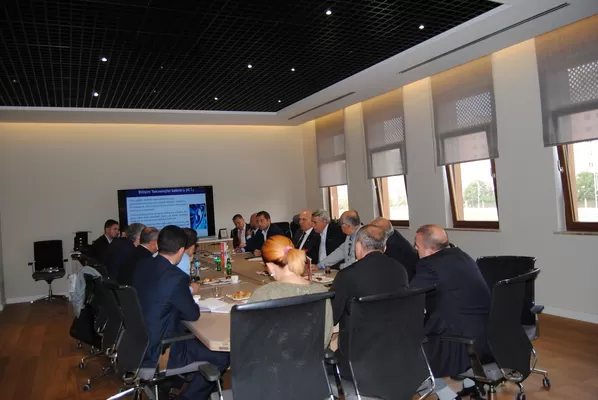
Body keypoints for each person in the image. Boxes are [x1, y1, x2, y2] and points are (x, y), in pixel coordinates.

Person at [133, 225, 229, 400]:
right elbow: (193, 315)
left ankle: (169, 384)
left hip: (136, 344)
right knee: (223, 356)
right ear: (181, 250)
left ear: (158, 245)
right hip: (160, 351)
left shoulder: (143, 265)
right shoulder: (176, 277)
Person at [411, 225, 491, 399]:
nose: (415, 248)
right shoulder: (462, 255)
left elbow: (411, 295)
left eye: (417, 245)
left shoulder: (428, 264)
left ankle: (446, 395)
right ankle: (471, 385)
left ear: (429, 249)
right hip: (486, 333)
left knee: (408, 346)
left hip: (457, 339)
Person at [330, 225, 409, 375]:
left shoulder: (347, 275)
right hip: (395, 346)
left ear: (358, 246)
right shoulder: (400, 270)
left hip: (357, 354)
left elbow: (332, 316)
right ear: (384, 247)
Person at [248, 235, 333, 346]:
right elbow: (325, 337)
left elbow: (250, 338)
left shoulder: (263, 294)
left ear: (270, 266)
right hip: (312, 356)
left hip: (271, 356)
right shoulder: (321, 292)